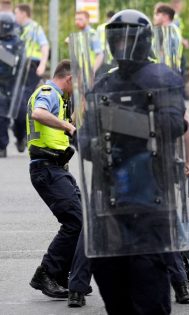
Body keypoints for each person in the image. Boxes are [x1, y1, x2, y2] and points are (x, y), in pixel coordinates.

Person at [73, 9, 189, 314]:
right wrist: (94, 144)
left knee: (149, 289)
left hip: (152, 201)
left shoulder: (162, 77)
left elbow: (174, 125)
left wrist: (120, 122)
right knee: (113, 289)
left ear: (143, 40)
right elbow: (84, 137)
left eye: (128, 37)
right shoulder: (104, 82)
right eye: (117, 38)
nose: (121, 44)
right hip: (111, 204)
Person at [26, 60, 77, 300]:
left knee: (81, 220)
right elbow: (39, 112)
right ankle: (46, 273)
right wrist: (68, 126)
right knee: (75, 221)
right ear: (69, 79)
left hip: (56, 168)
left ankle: (60, 274)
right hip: (46, 168)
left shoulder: (61, 98)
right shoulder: (49, 93)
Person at [8, 3, 49, 154]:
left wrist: (43, 65)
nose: (15, 15)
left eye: (17, 13)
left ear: (24, 13)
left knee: (23, 103)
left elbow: (44, 46)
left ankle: (22, 135)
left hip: (31, 67)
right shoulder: (15, 28)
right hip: (16, 67)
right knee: (16, 104)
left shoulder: (35, 28)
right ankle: (20, 135)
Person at [0, 10, 23, 158]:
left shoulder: (17, 43)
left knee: (18, 115)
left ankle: (19, 138)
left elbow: (16, 62)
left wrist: (1, 52)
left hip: (11, 83)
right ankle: (1, 145)